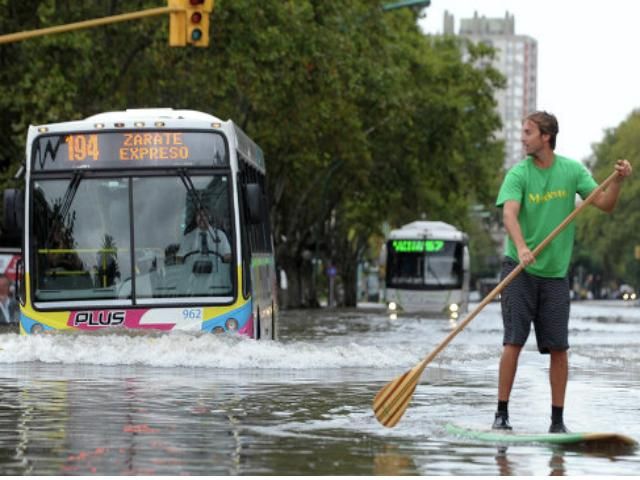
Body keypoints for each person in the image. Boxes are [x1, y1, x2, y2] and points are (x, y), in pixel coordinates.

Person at [493, 111, 632, 433]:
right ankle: (501, 414)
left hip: (555, 275)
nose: (522, 137)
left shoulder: (571, 171)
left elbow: (606, 204)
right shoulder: (518, 174)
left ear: (546, 136)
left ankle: (557, 421)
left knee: (559, 347)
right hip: (519, 268)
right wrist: (522, 247)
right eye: (522, 131)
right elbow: (510, 216)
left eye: (528, 132)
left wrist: (620, 181)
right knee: (513, 341)